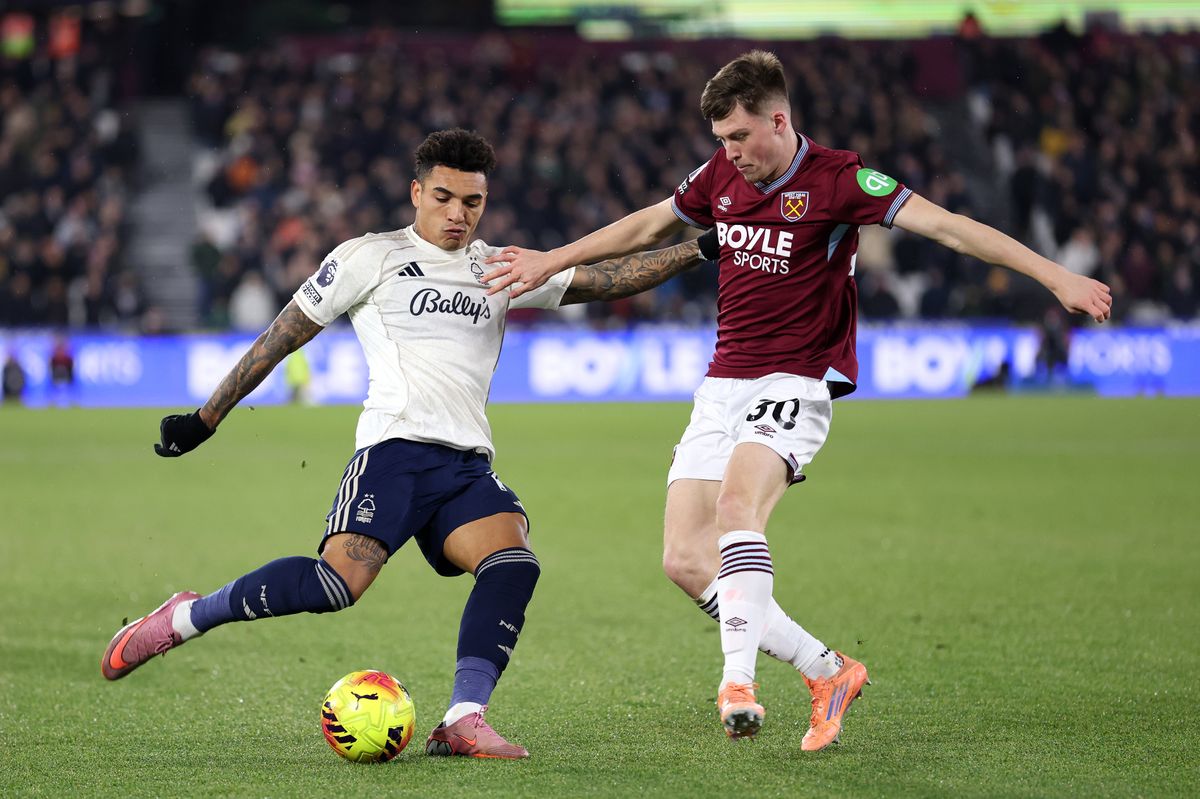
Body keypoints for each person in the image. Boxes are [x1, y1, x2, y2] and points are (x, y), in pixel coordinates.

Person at [482, 51, 1113, 750]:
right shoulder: (721, 173)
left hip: (795, 381)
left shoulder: (841, 180)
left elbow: (951, 227)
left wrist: (1056, 275)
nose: (730, 155)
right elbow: (649, 224)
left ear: (778, 121)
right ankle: (827, 669)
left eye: (740, 138)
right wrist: (552, 259)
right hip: (722, 382)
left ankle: (737, 682)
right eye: (721, 141)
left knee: (734, 510)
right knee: (685, 559)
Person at [100, 128, 710, 759]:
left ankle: (464, 718)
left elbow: (608, 278)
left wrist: (702, 250)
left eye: (472, 202)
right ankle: (185, 617)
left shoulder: (499, 267)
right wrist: (206, 418)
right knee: (335, 587)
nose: (457, 214)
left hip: (467, 465)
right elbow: (283, 335)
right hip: (394, 452)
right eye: (444, 197)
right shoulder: (370, 256)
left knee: (513, 564)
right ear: (416, 192)